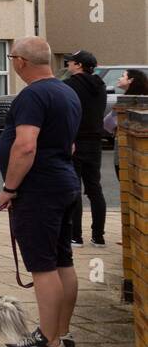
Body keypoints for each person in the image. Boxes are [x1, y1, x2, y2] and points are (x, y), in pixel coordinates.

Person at [0, 36, 82, 347]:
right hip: (64, 183)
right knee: (63, 260)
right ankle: (61, 331)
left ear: (20, 61)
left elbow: (26, 145)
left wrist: (10, 187)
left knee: (43, 266)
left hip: (39, 190)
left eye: (12, 58)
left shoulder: (32, 96)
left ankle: (48, 341)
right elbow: (69, 144)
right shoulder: (66, 91)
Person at [61, 50, 106, 246]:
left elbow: (66, 114)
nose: (68, 65)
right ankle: (98, 236)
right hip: (95, 141)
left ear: (78, 65)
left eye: (70, 62)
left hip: (75, 141)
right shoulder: (100, 85)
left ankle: (75, 236)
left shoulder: (69, 86)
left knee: (74, 189)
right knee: (94, 188)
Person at [109, 69, 148, 181]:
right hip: (131, 149)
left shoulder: (130, 101)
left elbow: (109, 123)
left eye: (122, 76)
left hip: (126, 148)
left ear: (130, 80)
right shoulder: (138, 99)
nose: (119, 78)